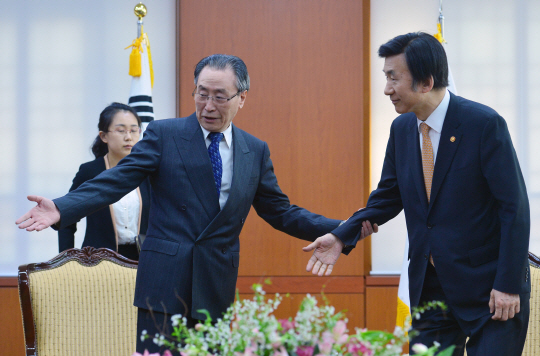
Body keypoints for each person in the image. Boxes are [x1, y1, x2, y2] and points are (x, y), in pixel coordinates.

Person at [15, 54, 376, 354]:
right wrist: (63, 207)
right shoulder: (165, 134)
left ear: (242, 98)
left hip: (215, 282)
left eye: (220, 96)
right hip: (163, 283)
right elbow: (116, 180)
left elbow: (280, 211)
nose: (208, 105)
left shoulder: (255, 150)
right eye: (201, 94)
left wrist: (342, 229)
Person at [304, 33, 530, 356]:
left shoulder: (483, 125)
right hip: (432, 289)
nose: (387, 89)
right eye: (386, 77)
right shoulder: (402, 130)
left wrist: (507, 286)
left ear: (425, 82)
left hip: (490, 290)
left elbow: (515, 209)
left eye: (393, 78)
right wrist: (343, 236)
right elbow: (387, 196)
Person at [58, 103, 151, 261]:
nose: (128, 137)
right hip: (97, 262)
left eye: (134, 130)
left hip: (144, 260)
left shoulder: (149, 172)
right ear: (104, 136)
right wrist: (68, 259)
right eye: (121, 130)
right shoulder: (90, 171)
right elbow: (67, 216)